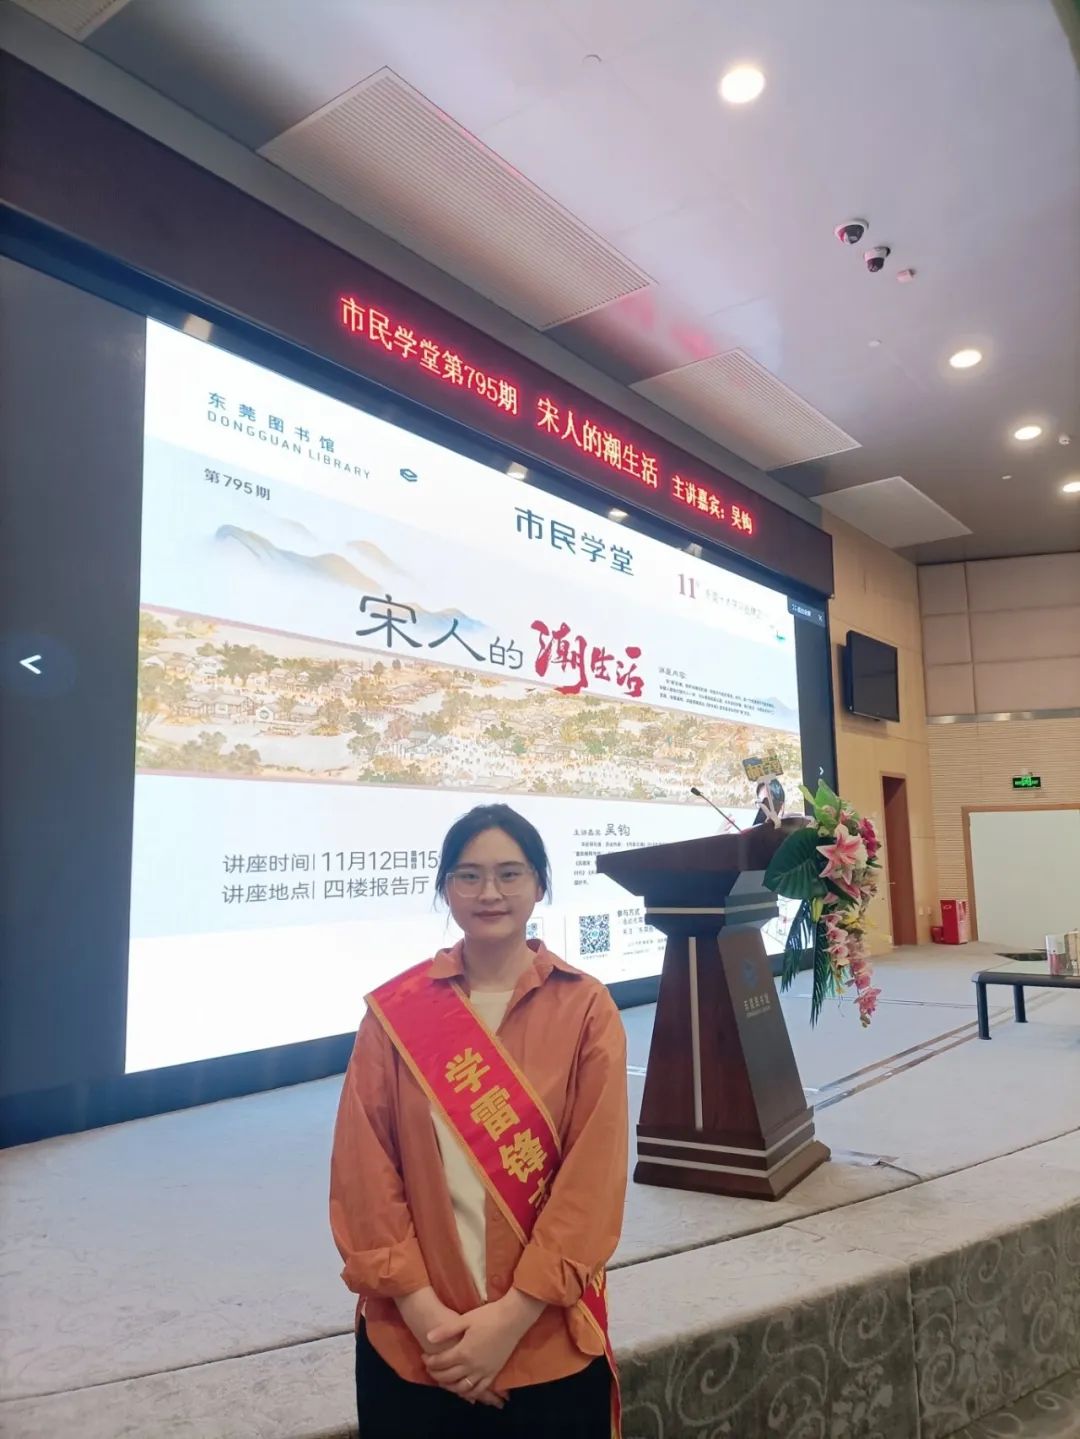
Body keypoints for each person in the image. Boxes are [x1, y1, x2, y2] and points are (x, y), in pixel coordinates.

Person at [330, 803, 628, 1439]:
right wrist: (430, 1322)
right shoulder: (395, 1015)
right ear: (445, 889)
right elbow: (364, 1175)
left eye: (510, 874)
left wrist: (507, 1324)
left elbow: (593, 1181)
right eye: (468, 876)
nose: (489, 892)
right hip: (415, 1348)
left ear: (540, 884)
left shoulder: (586, 1009)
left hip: (544, 1343)